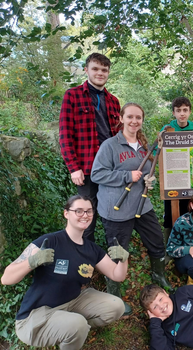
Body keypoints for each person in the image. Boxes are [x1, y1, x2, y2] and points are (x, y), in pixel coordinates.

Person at [1, 195, 128, 349]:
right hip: (37, 315)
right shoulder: (49, 242)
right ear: (66, 213)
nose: (85, 215)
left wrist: (123, 259)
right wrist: (32, 262)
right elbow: (6, 278)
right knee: (77, 324)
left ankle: (73, 330)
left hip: (73, 301)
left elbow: (117, 275)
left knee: (116, 306)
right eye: (79, 211)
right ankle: (73, 329)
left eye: (89, 211)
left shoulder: (92, 249)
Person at [91, 102, 172, 311]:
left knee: (156, 242)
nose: (134, 121)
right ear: (121, 118)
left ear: (142, 120)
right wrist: (127, 176)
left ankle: (158, 275)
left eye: (138, 117)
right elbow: (97, 174)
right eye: (130, 117)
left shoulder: (144, 146)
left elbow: (146, 172)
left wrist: (148, 179)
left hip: (142, 205)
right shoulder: (110, 145)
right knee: (118, 253)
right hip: (116, 210)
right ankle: (114, 298)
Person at [59, 53, 121, 242]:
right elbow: (65, 134)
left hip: (111, 168)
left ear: (108, 72)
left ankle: (113, 255)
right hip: (86, 168)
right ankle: (85, 258)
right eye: (95, 69)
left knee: (112, 210)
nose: (100, 73)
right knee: (86, 215)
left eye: (104, 70)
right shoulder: (73, 96)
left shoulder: (114, 101)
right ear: (86, 70)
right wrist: (73, 167)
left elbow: (118, 136)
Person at [161, 97, 193, 256]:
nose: (182, 114)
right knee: (170, 215)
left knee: (189, 212)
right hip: (172, 179)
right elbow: (159, 152)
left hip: (191, 181)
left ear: (190, 112)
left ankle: (188, 247)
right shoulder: (167, 129)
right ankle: (168, 249)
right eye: (178, 111)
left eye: (185, 110)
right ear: (174, 113)